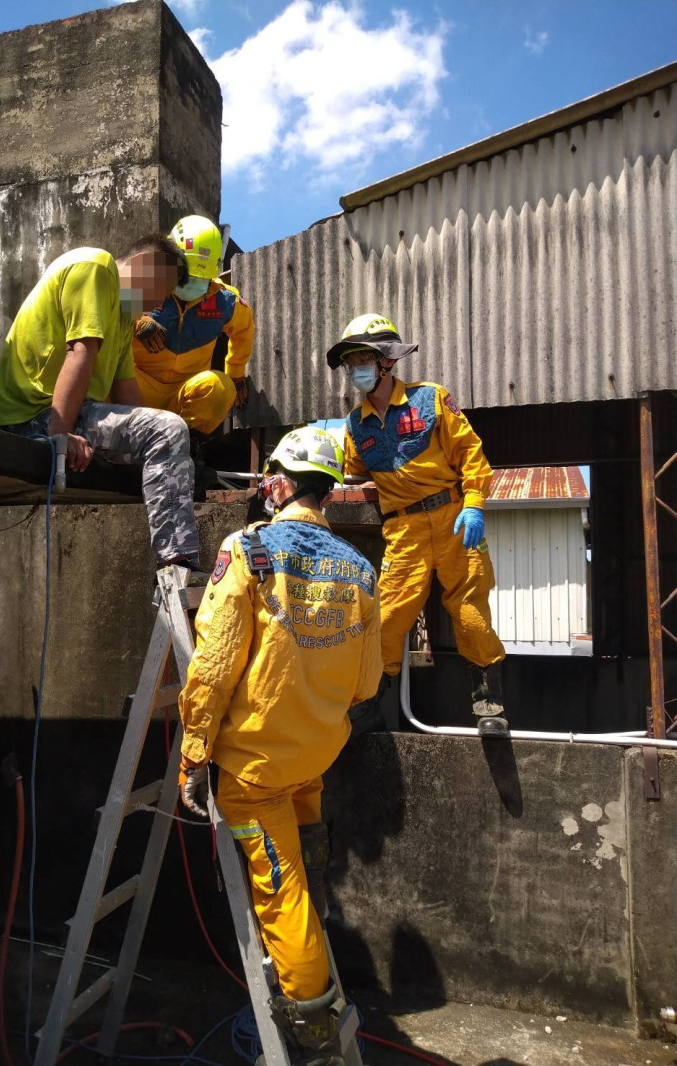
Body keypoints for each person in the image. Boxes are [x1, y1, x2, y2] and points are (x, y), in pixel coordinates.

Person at [177, 426, 382, 1066]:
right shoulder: (359, 568)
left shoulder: (250, 551)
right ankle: (312, 963)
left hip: (254, 772)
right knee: (307, 866)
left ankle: (315, 1034)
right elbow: (366, 682)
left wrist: (192, 755)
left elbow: (212, 666)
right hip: (315, 758)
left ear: (282, 484)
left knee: (281, 893)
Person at [326, 313, 508, 737]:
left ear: (387, 362)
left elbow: (471, 455)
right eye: (350, 363)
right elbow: (351, 475)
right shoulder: (354, 425)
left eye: (361, 360)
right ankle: (369, 703)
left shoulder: (431, 399)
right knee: (387, 616)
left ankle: (489, 701)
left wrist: (476, 502)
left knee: (469, 609)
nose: (355, 371)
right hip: (403, 530)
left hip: (454, 519)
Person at [0, 236, 202, 569]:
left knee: (174, 450)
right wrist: (59, 433)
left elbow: (126, 393)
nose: (161, 304)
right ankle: (176, 559)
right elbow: (80, 351)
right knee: (167, 429)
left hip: (74, 415)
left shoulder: (122, 317)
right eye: (163, 290)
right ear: (143, 266)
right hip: (38, 415)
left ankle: (176, 559)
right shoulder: (96, 267)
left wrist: (169, 453)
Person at [132, 214, 254, 437]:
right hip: (135, 387)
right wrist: (137, 322)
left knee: (220, 388)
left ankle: (188, 446)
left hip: (183, 396)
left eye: (201, 277)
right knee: (101, 370)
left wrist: (236, 374)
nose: (193, 284)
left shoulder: (226, 301)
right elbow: (106, 310)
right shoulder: (143, 281)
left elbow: (244, 331)